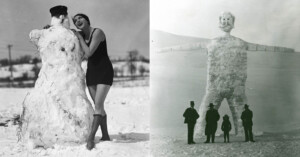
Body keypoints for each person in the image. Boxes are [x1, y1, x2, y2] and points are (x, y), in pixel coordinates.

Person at [72, 13, 114, 150]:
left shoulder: (98, 32)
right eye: (75, 20)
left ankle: (90, 138)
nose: (78, 21)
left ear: (87, 20)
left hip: (104, 70)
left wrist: (79, 37)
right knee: (98, 105)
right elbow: (65, 32)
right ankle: (106, 135)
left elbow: (89, 53)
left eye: (80, 18)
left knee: (98, 105)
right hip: (92, 72)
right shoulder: (81, 35)